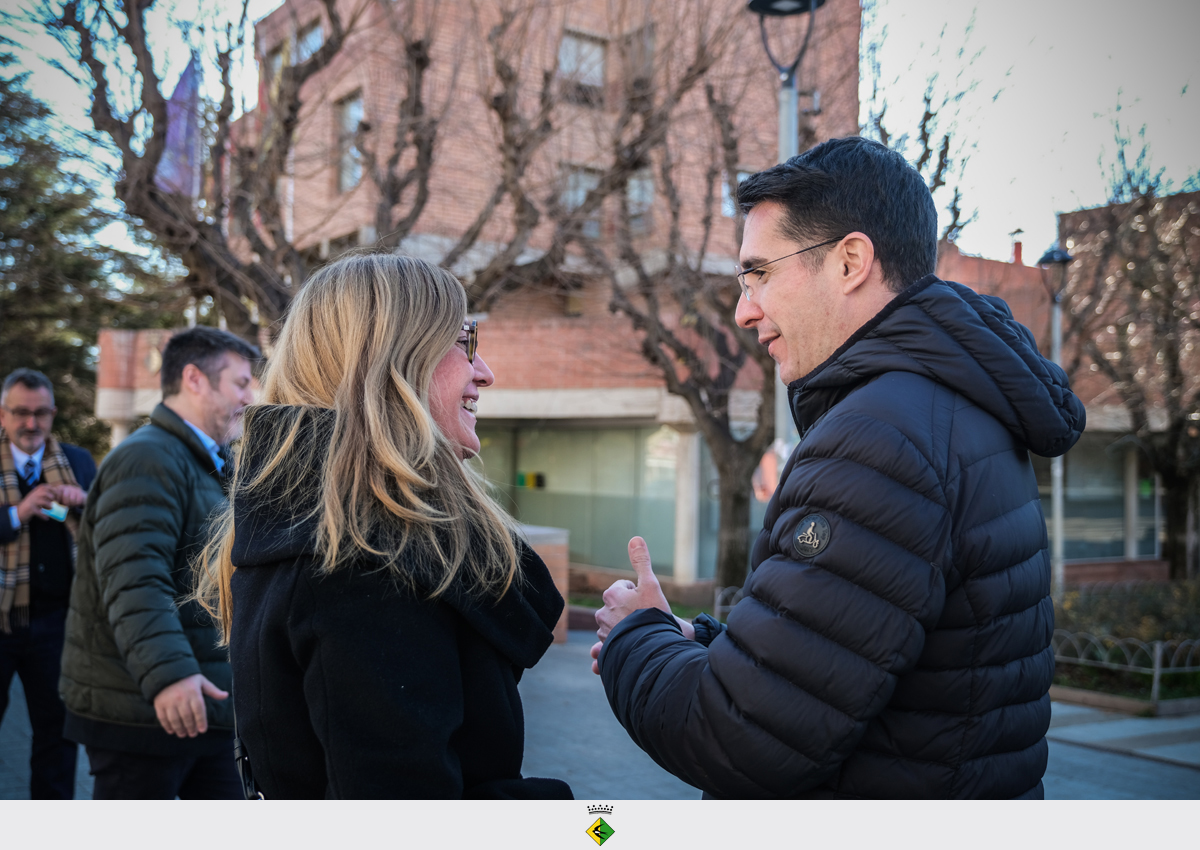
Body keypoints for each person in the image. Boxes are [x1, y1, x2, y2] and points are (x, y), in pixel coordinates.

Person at [591, 136, 1086, 799]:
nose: (743, 310)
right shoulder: (948, 409)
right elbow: (862, 670)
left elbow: (742, 738)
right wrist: (698, 641)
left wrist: (635, 638)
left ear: (851, 260)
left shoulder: (882, 440)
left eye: (760, 273)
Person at [195, 253, 572, 800]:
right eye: (463, 341)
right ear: (392, 360)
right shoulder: (360, 566)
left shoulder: (335, 536)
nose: (484, 372)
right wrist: (588, 822)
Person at [59, 326, 259, 799]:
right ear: (194, 379)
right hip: (148, 712)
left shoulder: (205, 461)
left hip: (203, 706)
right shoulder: (148, 458)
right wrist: (171, 675)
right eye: (241, 383)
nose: (251, 397)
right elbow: (134, 582)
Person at [0, 369, 95, 798]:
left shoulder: (77, 462)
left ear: (53, 414)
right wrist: (17, 513)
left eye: (40, 413)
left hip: (58, 623)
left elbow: (107, 525)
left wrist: (84, 504)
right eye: (20, 412)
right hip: (0, 623)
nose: (31, 423)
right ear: (3, 415)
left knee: (57, 739)